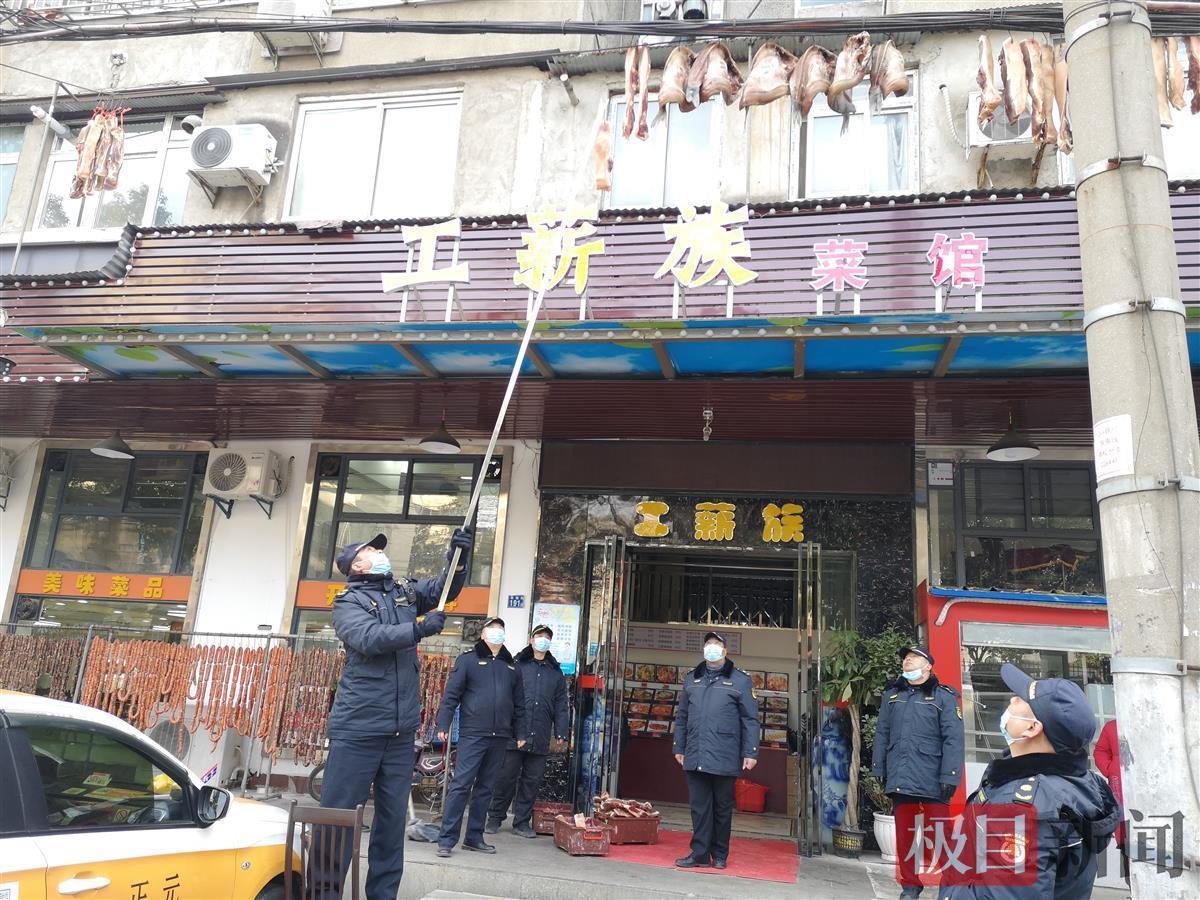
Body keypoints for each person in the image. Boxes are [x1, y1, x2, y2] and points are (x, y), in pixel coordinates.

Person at [312, 528, 473, 900]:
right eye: (371, 550)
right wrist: (417, 628)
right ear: (356, 564)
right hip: (358, 730)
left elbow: (443, 590)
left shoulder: (403, 592)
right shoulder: (348, 602)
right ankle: (323, 894)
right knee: (337, 819)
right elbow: (369, 638)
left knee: (391, 822)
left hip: (400, 733)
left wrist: (459, 558)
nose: (380, 553)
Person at [938, 663, 1120, 900]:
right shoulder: (1076, 781)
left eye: (1021, 699)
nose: (1012, 699)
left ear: (1032, 728)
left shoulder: (1021, 809)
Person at [872, 645, 964, 899]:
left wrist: (950, 775)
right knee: (905, 837)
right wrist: (879, 766)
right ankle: (910, 887)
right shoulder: (893, 695)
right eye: (905, 658)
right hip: (901, 775)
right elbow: (882, 733)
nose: (907, 661)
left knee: (941, 835)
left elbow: (954, 739)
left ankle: (953, 886)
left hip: (933, 777)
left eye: (913, 657)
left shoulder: (943, 697)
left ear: (928, 666)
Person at [435, 615, 527, 856]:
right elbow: (451, 695)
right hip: (474, 733)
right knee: (461, 785)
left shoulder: (511, 666)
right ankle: (446, 839)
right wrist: (443, 724)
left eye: (500, 628)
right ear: (483, 634)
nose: (497, 632)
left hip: (500, 736)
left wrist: (521, 732)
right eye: (492, 628)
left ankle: (474, 837)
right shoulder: (468, 660)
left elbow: (519, 704)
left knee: (486, 788)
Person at [672, 631, 759, 870]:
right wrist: (679, 746)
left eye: (716, 644)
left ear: (725, 651)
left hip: (725, 754)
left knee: (722, 807)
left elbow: (750, 719)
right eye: (708, 643)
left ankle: (720, 854)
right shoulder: (692, 678)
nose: (711, 647)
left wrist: (751, 752)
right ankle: (700, 853)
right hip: (695, 752)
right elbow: (682, 716)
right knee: (699, 807)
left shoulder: (740, 680)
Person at [485, 623, 569, 837]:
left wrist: (561, 731)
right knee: (506, 778)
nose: (543, 640)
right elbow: (504, 696)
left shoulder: (555, 672)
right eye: (539, 636)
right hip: (514, 733)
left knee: (532, 781)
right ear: (531, 640)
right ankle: (495, 818)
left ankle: (522, 823)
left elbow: (561, 704)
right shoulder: (516, 665)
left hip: (540, 734)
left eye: (547, 637)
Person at [1092, 718, 1126, 878]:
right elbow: (1100, 751)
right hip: (1120, 785)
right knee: (1124, 827)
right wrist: (1110, 768)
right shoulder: (1113, 726)